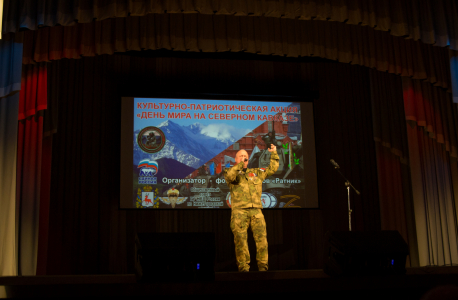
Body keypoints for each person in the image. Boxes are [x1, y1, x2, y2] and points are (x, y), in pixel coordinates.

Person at [224, 144, 279, 272]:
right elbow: (230, 176)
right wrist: (239, 166)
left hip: (256, 211)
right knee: (241, 241)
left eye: (246, 156)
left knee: (262, 241)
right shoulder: (230, 172)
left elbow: (272, 169)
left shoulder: (256, 173)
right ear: (236, 159)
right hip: (239, 212)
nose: (244, 158)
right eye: (241, 156)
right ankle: (243, 269)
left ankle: (263, 268)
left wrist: (274, 153)